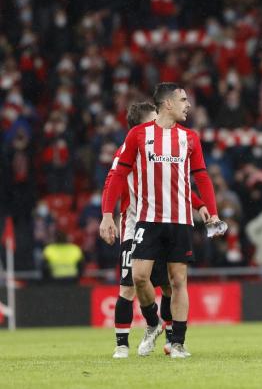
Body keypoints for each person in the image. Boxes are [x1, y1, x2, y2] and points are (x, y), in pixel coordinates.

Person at [100, 83, 219, 359]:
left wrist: (210, 210)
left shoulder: (190, 138)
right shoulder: (138, 136)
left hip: (179, 221)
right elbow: (117, 176)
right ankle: (153, 322)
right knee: (139, 278)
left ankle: (177, 342)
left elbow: (200, 176)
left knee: (177, 281)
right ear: (168, 104)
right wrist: (107, 213)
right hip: (146, 220)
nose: (188, 105)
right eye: (183, 100)